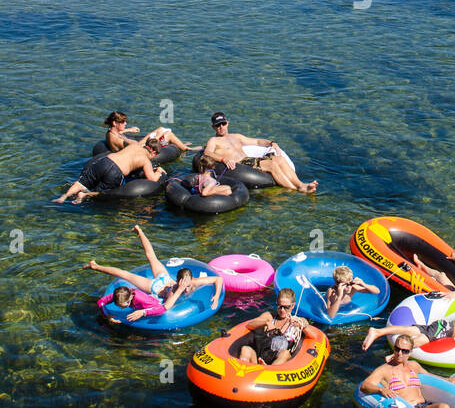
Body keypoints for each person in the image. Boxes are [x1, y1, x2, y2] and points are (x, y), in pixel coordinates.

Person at [87, 225, 223, 320]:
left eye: (187, 286)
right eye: (183, 285)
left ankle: (139, 231)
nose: (186, 289)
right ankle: (96, 266)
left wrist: (216, 296)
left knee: (152, 257)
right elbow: (166, 307)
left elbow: (218, 279)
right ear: (179, 282)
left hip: (166, 280)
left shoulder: (193, 282)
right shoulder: (176, 290)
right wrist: (179, 289)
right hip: (157, 287)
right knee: (128, 273)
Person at [203, 112, 317, 192]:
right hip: (240, 164)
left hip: (249, 159)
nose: (221, 127)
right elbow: (207, 153)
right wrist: (224, 159)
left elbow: (257, 141)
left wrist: (271, 143)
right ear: (213, 127)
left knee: (279, 159)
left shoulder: (236, 136)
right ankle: (297, 188)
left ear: (227, 123)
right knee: (271, 165)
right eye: (218, 125)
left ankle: (300, 184)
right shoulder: (213, 140)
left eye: (223, 124)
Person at [362, 288, 455, 352]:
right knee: (420, 340)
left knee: (411, 330)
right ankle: (396, 354)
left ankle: (377, 332)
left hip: (442, 327)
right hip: (446, 329)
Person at [360, 337, 455, 408]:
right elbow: (365, 385)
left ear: (410, 352)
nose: (400, 353)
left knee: (443, 407)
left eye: (404, 351)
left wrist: (448, 380)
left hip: (423, 406)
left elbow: (429, 376)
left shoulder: (414, 365)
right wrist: (381, 390)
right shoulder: (384, 370)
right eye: (397, 349)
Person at [55, 138, 165, 203]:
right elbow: (152, 179)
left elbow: (124, 139)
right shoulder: (145, 160)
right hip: (115, 172)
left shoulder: (135, 144)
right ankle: (83, 195)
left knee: (81, 183)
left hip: (105, 161)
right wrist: (159, 171)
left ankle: (64, 196)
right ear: (154, 153)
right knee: (104, 193)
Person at [234, 289, 318, 366]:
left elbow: (314, 336)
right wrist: (266, 323)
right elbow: (250, 324)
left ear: (292, 306)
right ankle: (241, 378)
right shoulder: (270, 316)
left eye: (286, 307)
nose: (282, 310)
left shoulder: (299, 321)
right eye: (280, 306)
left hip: (278, 365)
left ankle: (268, 373)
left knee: (285, 353)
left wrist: (303, 326)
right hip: (260, 358)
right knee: (245, 349)